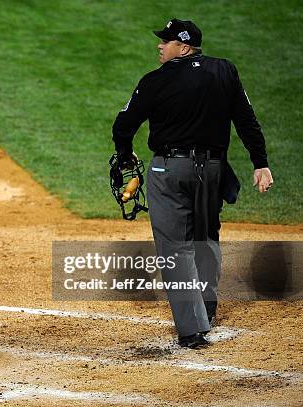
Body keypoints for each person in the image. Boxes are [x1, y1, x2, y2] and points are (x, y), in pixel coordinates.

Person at [112, 19, 273, 348]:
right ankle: (208, 308)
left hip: (170, 171)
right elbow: (246, 119)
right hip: (213, 171)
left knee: (175, 247)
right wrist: (260, 162)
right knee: (206, 234)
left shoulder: (155, 81)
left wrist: (125, 155)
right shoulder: (225, 71)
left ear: (183, 47)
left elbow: (123, 124)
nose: (160, 45)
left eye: (166, 41)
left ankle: (192, 329)